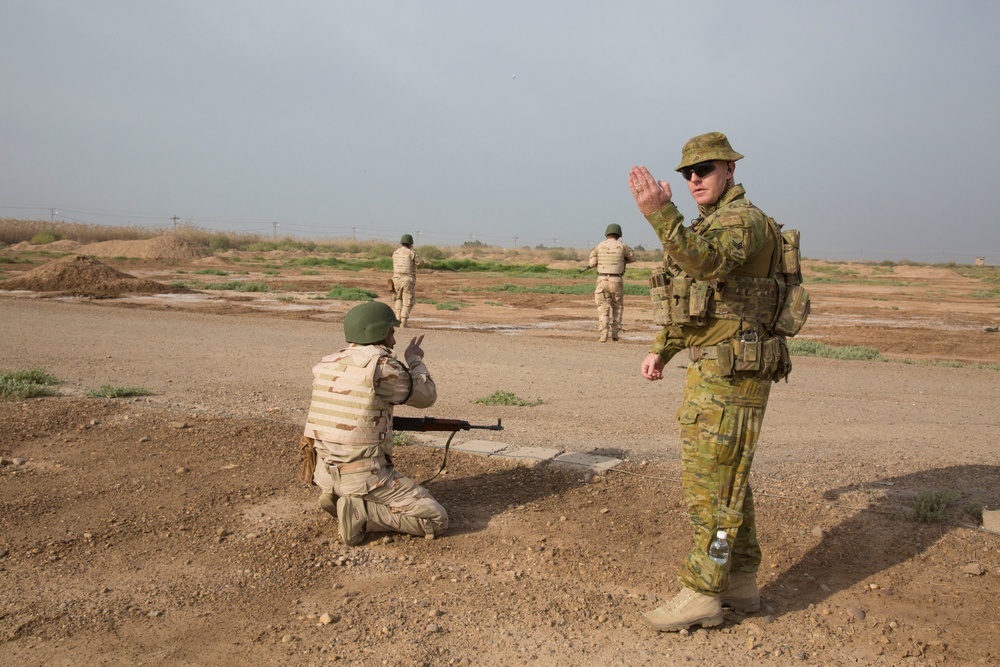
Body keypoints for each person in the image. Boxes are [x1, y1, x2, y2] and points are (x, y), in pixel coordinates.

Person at [628, 132, 792, 632]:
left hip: (733, 373)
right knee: (727, 484)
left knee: (712, 490)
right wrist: (666, 345)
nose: (694, 179)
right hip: (713, 368)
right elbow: (696, 302)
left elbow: (711, 262)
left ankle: (703, 590)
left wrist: (662, 216)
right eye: (687, 173)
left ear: (730, 171)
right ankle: (739, 579)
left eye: (704, 170)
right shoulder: (711, 223)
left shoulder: (743, 221)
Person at [302, 301, 448, 545]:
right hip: (361, 476)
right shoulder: (381, 367)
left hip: (324, 472)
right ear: (379, 332)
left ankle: (338, 496)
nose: (393, 339)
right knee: (435, 518)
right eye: (391, 331)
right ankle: (361, 513)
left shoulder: (327, 362)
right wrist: (414, 360)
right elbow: (426, 395)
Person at [588, 223, 637, 342]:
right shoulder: (622, 246)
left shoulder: (599, 246)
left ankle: (603, 334)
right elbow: (633, 258)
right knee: (618, 307)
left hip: (602, 280)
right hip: (617, 280)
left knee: (603, 307)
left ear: (607, 233)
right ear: (619, 234)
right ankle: (615, 333)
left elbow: (591, 263)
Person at [391, 234, 424, 327]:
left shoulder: (396, 252)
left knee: (397, 298)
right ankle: (403, 322)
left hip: (396, 279)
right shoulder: (411, 253)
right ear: (411, 243)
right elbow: (420, 263)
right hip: (408, 280)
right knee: (408, 301)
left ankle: (397, 320)